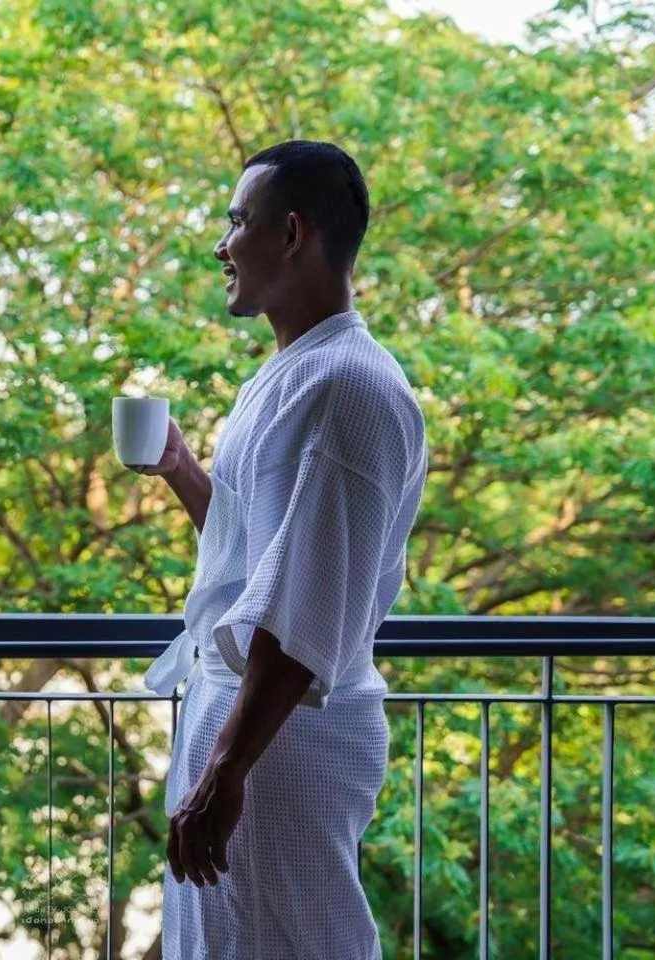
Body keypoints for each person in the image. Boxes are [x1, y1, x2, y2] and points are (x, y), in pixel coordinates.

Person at [126, 140, 427, 959]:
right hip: (250, 728)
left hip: (279, 743)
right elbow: (263, 560)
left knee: (293, 943)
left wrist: (227, 775)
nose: (221, 244)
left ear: (291, 233)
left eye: (237, 221)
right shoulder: (293, 373)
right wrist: (186, 470)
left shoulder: (346, 389)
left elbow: (305, 613)